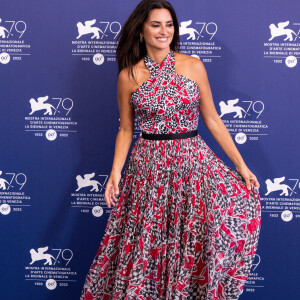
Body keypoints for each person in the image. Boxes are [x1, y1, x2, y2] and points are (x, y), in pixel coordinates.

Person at [80, 0, 261, 299]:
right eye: (155, 24)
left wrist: (241, 165)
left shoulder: (193, 66)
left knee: (190, 241)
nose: (164, 31)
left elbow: (212, 119)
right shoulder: (129, 76)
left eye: (169, 24)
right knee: (148, 244)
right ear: (141, 30)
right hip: (148, 169)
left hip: (192, 165)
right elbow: (126, 129)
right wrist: (115, 173)